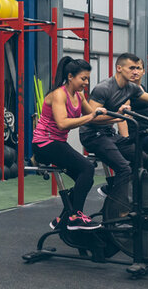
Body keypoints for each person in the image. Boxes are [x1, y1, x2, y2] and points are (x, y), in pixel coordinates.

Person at [31, 57, 105, 230]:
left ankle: (63, 218)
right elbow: (62, 123)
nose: (86, 83)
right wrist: (91, 116)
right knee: (87, 168)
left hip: (57, 143)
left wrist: (118, 113)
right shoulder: (58, 94)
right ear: (70, 76)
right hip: (45, 144)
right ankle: (74, 217)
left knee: (84, 180)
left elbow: (95, 116)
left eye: (87, 79)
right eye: (83, 78)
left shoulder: (78, 95)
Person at [80, 53, 148, 208]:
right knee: (124, 169)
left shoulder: (131, 88)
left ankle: (125, 195)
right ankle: (117, 206)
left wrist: (117, 118)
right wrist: (118, 117)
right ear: (119, 68)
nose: (135, 71)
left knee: (143, 159)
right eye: (131, 68)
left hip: (109, 134)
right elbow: (91, 118)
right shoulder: (104, 88)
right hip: (92, 135)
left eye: (137, 68)